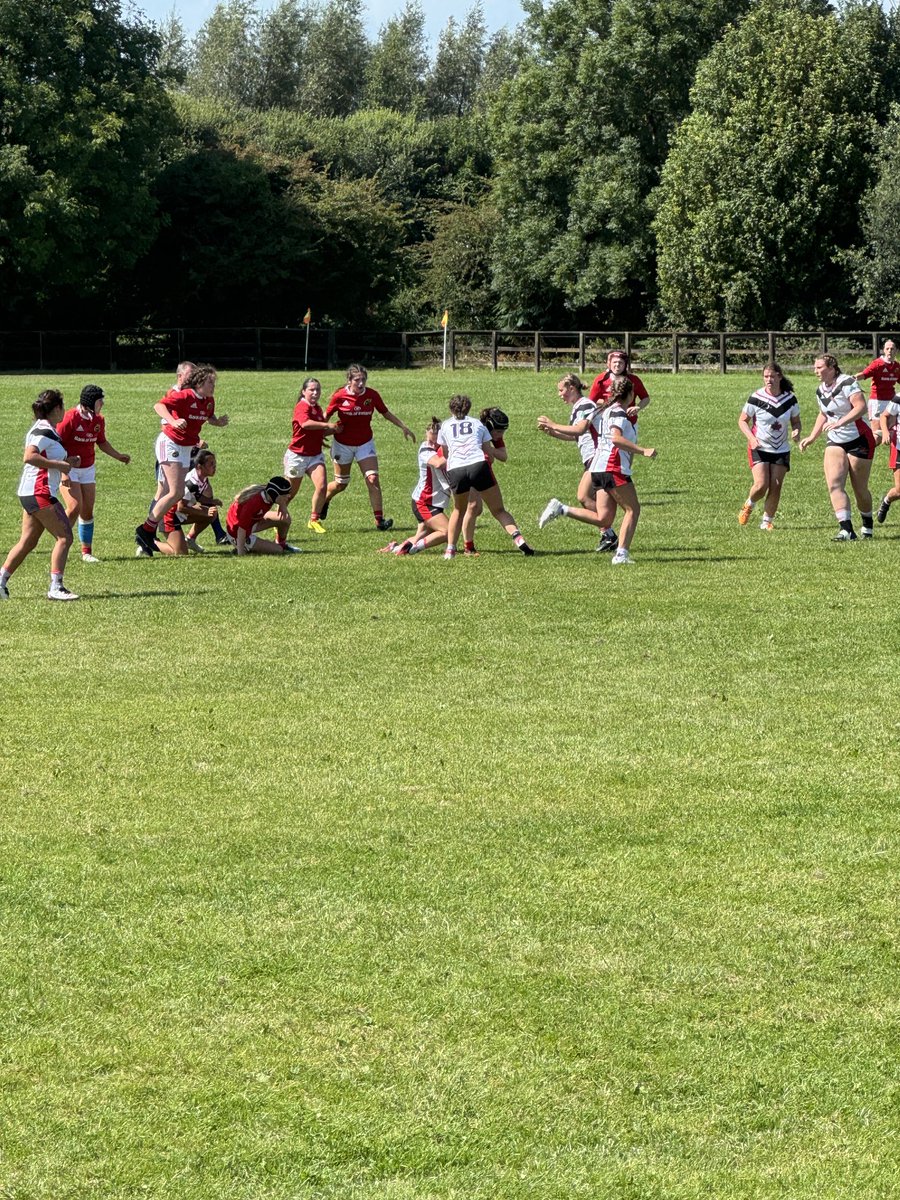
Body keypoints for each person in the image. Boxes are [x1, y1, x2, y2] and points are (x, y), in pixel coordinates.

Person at [537, 377, 657, 565]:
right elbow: (616, 439)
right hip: (613, 466)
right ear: (631, 394)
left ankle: (561, 509)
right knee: (632, 509)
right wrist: (643, 450)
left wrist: (553, 430)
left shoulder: (605, 410)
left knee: (604, 518)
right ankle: (621, 554)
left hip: (598, 468)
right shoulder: (618, 413)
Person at [135, 363, 228, 556]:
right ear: (199, 382)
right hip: (170, 443)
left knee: (172, 492)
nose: (213, 386)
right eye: (210, 382)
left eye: (214, 382)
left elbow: (208, 416)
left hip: (185, 448)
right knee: (175, 492)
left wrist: (217, 422)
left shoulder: (209, 400)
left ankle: (147, 531)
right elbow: (158, 405)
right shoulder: (185, 395)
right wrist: (173, 421)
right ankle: (146, 530)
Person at [0, 390, 81, 601]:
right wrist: (59, 464)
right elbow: (29, 456)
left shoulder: (45, 430)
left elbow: (45, 457)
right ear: (56, 409)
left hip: (30, 493)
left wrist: (67, 462)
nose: (64, 411)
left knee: (28, 541)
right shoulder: (43, 431)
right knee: (65, 536)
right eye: (62, 407)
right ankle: (56, 587)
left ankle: (1, 581)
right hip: (40, 492)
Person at [319, 364, 415, 530]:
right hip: (342, 444)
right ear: (349, 381)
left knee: (373, 479)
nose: (361, 383)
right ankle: (324, 500)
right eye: (357, 380)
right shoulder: (340, 396)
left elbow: (385, 412)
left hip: (365, 443)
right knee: (341, 483)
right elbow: (325, 417)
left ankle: (379, 521)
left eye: (363, 379)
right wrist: (321, 433)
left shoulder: (372, 395)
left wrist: (403, 426)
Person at [437, 395, 533, 559]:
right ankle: (472, 546)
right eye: (498, 431)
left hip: (459, 469)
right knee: (484, 508)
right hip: (477, 467)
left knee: (463, 509)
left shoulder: (446, 425)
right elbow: (488, 452)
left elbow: (501, 456)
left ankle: (451, 550)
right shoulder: (478, 425)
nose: (500, 435)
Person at [537, 374, 622, 553]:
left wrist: (553, 424)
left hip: (598, 457)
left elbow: (580, 429)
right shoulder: (578, 407)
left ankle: (606, 530)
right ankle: (608, 533)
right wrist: (551, 431)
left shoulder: (584, 405)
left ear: (572, 388)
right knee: (586, 499)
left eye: (561, 390)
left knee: (584, 497)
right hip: (593, 459)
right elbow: (574, 435)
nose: (560, 394)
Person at [799, 354, 874, 541]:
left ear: (831, 368)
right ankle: (846, 529)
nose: (815, 371)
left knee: (860, 489)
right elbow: (824, 414)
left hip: (859, 438)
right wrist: (812, 437)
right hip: (835, 440)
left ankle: (867, 525)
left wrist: (840, 422)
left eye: (819, 367)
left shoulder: (847, 382)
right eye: (815, 368)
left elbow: (860, 407)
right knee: (834, 483)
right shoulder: (820, 390)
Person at [57, 384, 130, 562]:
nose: (102, 404)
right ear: (89, 402)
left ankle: (86, 552)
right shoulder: (70, 419)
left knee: (87, 511)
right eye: (100, 400)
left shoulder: (98, 420)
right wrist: (64, 471)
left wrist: (118, 456)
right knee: (74, 507)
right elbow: (56, 446)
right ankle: (60, 543)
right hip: (69, 469)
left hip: (88, 469)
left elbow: (102, 442)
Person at [737, 363, 802, 530]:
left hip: (781, 449)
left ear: (779, 377)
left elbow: (796, 421)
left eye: (772, 376)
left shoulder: (789, 399)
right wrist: (751, 439)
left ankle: (766, 522)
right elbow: (742, 421)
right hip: (759, 447)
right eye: (766, 376)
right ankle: (749, 504)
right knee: (761, 485)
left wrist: (796, 431)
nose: (769, 380)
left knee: (776, 484)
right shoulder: (756, 397)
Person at [380, 417, 452, 556]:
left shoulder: (442, 448)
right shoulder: (425, 449)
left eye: (435, 439)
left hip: (433, 501)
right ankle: (413, 548)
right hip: (424, 502)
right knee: (448, 531)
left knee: (421, 534)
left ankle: (396, 547)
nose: (431, 442)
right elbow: (438, 463)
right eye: (430, 437)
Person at [137, 449, 222, 557]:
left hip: (179, 514)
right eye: (211, 464)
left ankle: (190, 540)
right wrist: (204, 512)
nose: (214, 467)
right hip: (169, 516)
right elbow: (181, 507)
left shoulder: (202, 477)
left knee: (212, 513)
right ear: (200, 467)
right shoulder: (190, 482)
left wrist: (211, 501)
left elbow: (196, 495)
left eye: (214, 463)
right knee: (180, 553)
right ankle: (147, 543)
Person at [284, 377, 334, 535]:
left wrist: (333, 430)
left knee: (322, 486)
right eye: (311, 389)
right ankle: (277, 518)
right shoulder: (302, 406)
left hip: (314, 455)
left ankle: (314, 520)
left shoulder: (317, 408)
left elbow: (316, 429)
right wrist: (327, 425)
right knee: (290, 493)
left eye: (317, 390)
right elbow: (305, 424)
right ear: (304, 391)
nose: (315, 392)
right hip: (297, 455)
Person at [227, 476, 298, 556]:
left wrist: (282, 506)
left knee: (285, 519)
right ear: (275, 495)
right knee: (278, 550)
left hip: (252, 522)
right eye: (285, 495)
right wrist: (241, 553)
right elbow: (241, 529)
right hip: (237, 533)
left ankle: (281, 544)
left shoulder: (267, 494)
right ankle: (245, 547)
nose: (288, 496)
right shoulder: (253, 503)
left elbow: (284, 514)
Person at [856, 340, 900, 443]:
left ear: (896, 351)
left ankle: (894, 457)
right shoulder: (877, 364)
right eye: (887, 349)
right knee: (877, 434)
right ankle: (862, 453)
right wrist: (851, 379)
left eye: (892, 349)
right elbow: (864, 374)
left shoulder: (897, 367)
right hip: (877, 402)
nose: (890, 351)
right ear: (884, 350)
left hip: (892, 402)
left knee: (893, 432)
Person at [876, 398, 900, 523]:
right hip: (899, 447)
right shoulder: (898, 398)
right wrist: (885, 432)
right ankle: (887, 500)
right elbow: (884, 416)